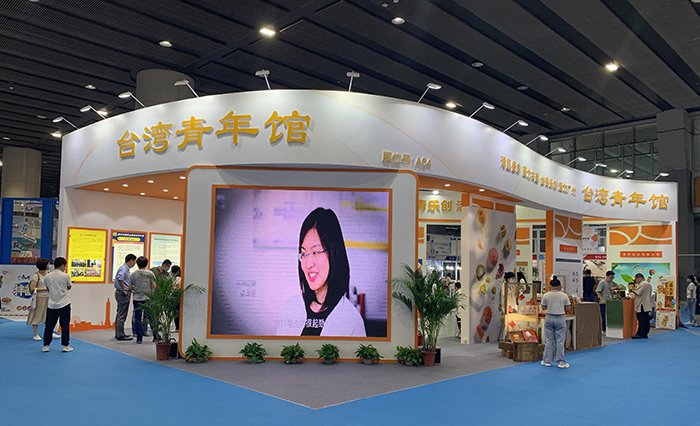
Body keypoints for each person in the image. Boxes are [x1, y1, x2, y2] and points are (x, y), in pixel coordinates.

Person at [277, 208, 366, 337]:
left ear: (333, 253)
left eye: (315, 252)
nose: (308, 263)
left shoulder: (352, 321)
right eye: (304, 253)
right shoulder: (290, 307)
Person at [42, 257, 73, 352]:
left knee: (49, 326)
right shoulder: (65, 276)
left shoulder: (47, 276)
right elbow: (69, 287)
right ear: (62, 265)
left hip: (51, 305)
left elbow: (47, 288)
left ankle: (46, 345)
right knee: (65, 325)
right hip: (64, 303)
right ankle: (65, 345)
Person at [540, 278, 570, 368]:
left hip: (549, 317)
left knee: (549, 340)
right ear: (559, 286)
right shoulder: (564, 295)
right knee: (560, 341)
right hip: (560, 317)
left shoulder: (546, 295)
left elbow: (543, 307)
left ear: (550, 286)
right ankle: (561, 362)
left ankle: (547, 361)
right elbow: (568, 308)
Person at [26, 258, 58, 340]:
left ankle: (50, 332)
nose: (49, 265)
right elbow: (33, 288)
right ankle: (36, 334)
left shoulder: (49, 274)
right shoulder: (36, 275)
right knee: (36, 315)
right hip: (39, 298)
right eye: (48, 264)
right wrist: (45, 289)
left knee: (49, 316)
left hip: (49, 297)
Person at [130, 256, 155, 344]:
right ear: (147, 263)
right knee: (151, 317)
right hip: (148, 298)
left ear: (137, 264)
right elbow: (154, 285)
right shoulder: (150, 273)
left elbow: (130, 286)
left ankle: (139, 338)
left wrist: (135, 289)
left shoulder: (133, 274)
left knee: (138, 318)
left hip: (137, 299)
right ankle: (156, 336)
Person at [114, 254, 136, 341]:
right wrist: (124, 290)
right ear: (131, 260)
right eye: (134, 261)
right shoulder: (124, 268)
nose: (134, 264)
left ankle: (119, 333)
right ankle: (120, 335)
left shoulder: (125, 268)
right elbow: (120, 278)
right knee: (122, 315)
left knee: (120, 314)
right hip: (122, 294)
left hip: (121, 292)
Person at [629, 273, 652, 339]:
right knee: (646, 319)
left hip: (642, 304)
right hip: (646, 303)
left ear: (639, 278)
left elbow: (638, 293)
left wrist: (632, 290)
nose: (636, 281)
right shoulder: (648, 284)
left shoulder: (642, 284)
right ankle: (645, 333)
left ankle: (640, 333)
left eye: (636, 279)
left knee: (641, 319)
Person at [171, 265, 182, 331]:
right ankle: (177, 326)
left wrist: (173, 288)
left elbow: (179, 287)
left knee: (176, 312)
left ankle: (177, 327)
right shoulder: (175, 278)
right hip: (175, 296)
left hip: (176, 297)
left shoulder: (178, 278)